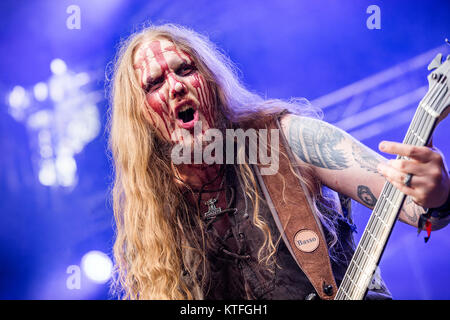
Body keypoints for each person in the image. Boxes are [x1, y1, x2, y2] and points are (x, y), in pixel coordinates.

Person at [107, 24, 450, 300]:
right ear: (140, 119)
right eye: (154, 83)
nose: (176, 87)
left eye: (186, 69)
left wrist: (436, 194)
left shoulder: (286, 140)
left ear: (211, 82)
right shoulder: (154, 219)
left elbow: (416, 209)